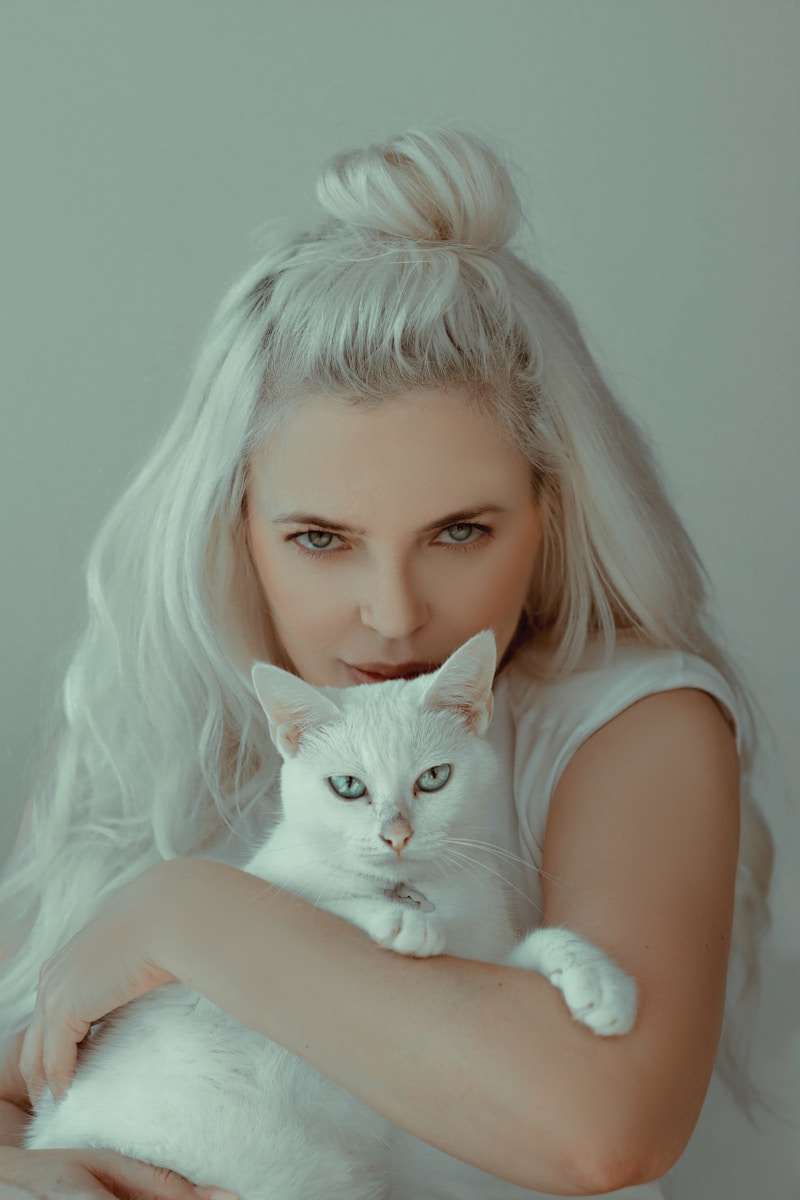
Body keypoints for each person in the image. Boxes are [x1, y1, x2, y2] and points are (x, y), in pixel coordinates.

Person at [0, 125, 783, 1199]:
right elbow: (27, 1078)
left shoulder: (632, 727)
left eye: (458, 532)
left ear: (547, 517)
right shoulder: (178, 742)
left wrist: (186, 912)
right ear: (235, 526)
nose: (391, 615)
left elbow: (598, 1127)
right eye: (320, 539)